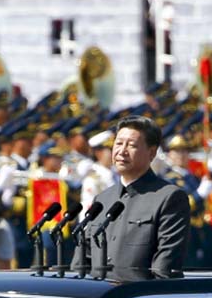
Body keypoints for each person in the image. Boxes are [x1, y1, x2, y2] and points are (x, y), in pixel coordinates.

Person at [70, 116, 190, 281]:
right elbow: (82, 262)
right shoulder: (103, 199)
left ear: (152, 152)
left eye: (131, 145)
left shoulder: (168, 198)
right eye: (118, 144)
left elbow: (165, 271)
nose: (122, 151)